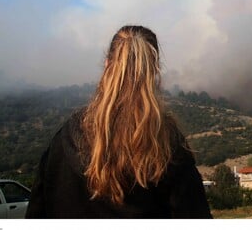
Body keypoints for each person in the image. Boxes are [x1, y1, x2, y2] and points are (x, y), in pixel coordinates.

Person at [26, 25, 212, 218]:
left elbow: (36, 213)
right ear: (154, 72)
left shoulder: (63, 141)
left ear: (107, 64)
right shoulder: (167, 144)